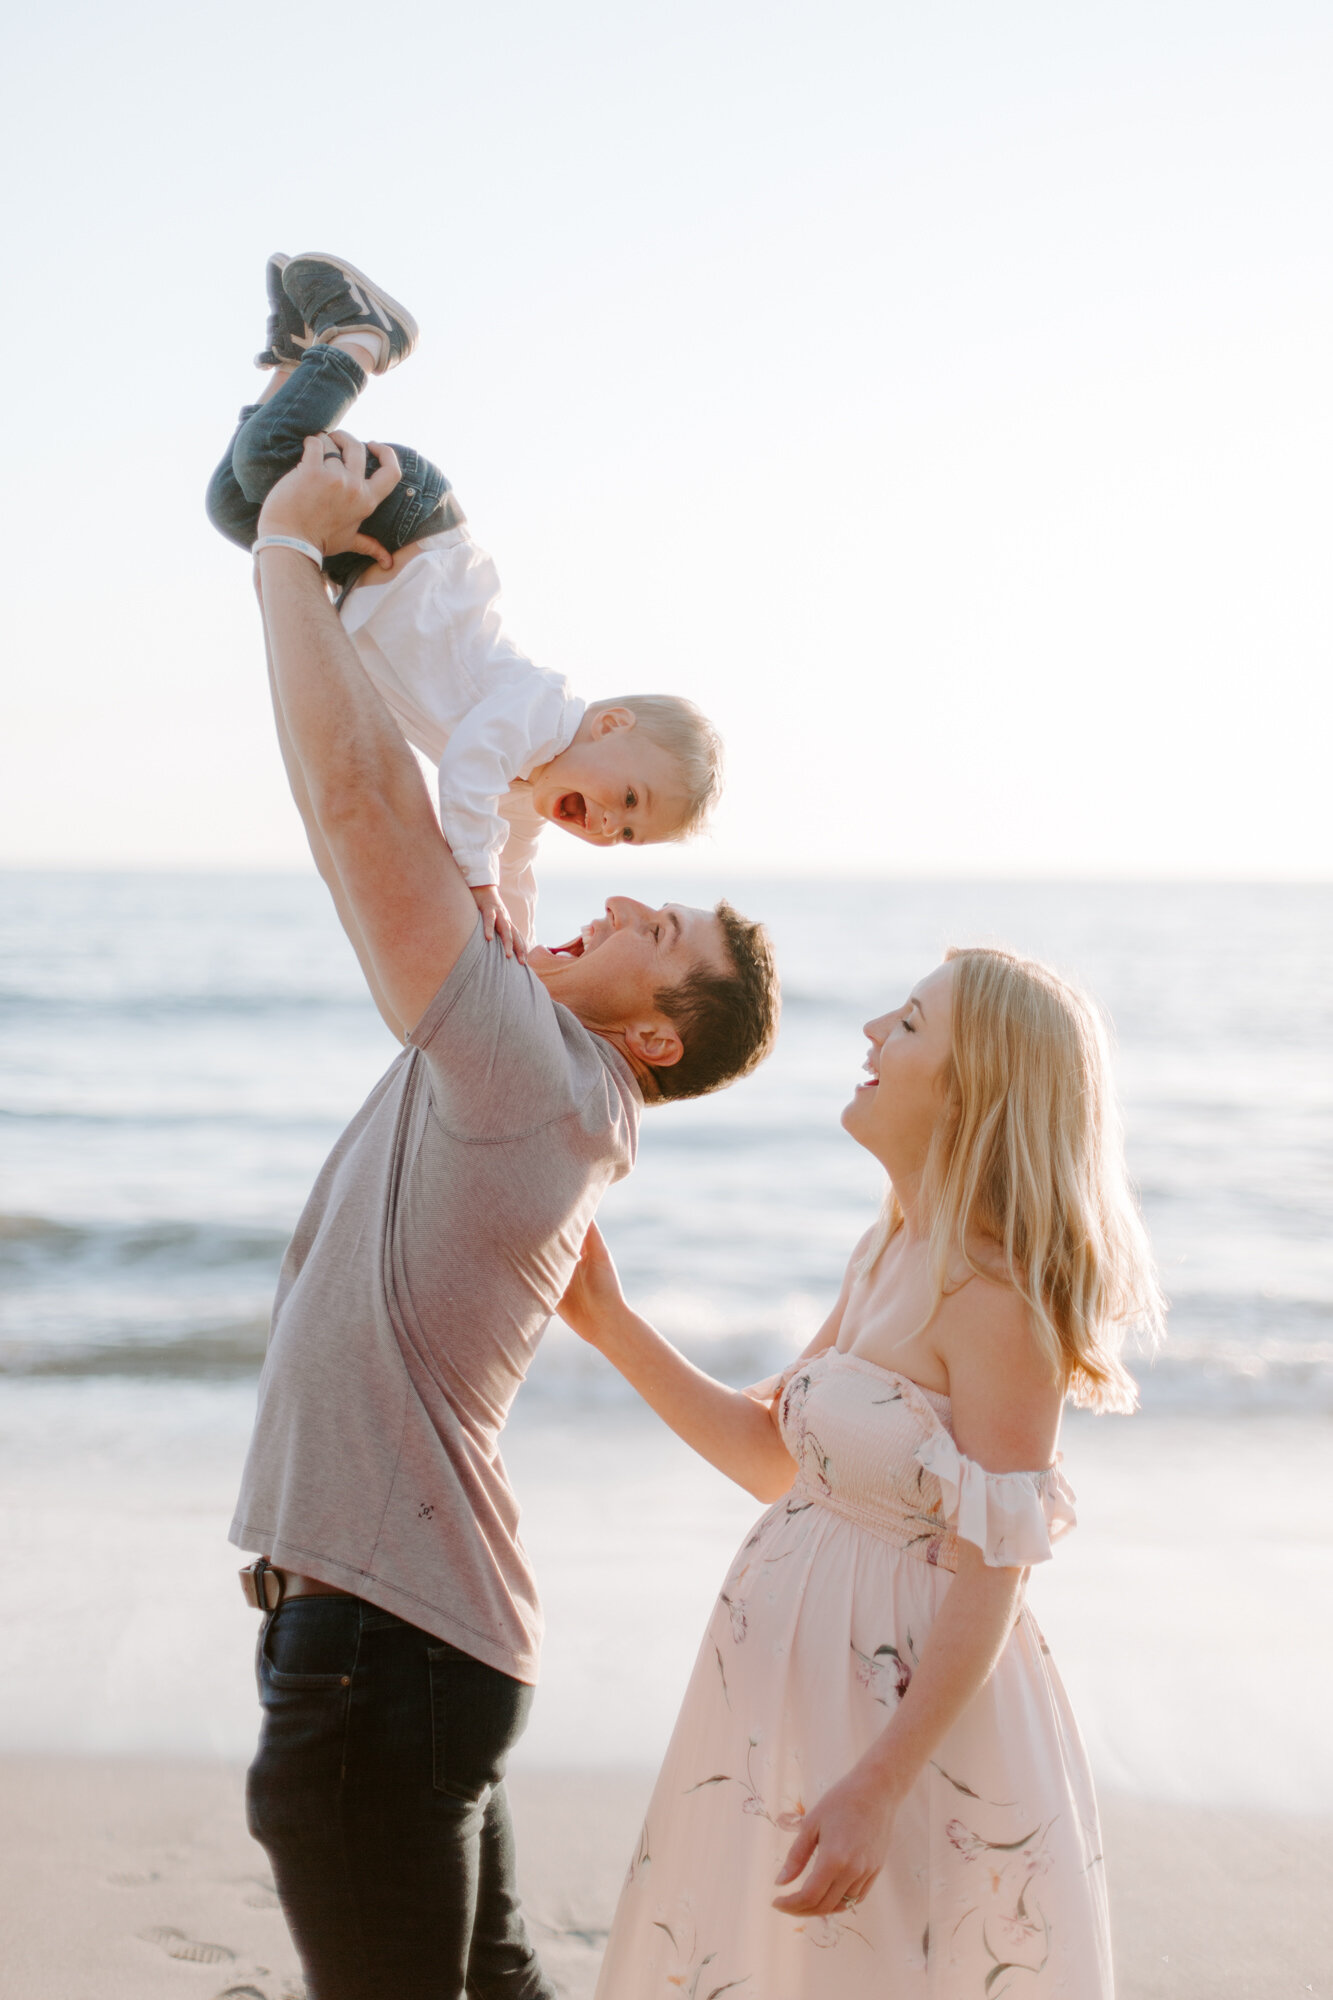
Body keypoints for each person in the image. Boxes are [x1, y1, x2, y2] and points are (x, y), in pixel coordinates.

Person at [228, 432, 781, 2000]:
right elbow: (478, 839)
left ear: (655, 1032)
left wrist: (287, 553)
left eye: (647, 923)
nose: (605, 897)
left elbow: (358, 808)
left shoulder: (533, 1071)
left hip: (383, 1652)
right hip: (402, 1641)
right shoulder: (546, 1066)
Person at [557, 946, 1165, 1998]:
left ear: (974, 1087)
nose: (874, 1027)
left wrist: (879, 1785)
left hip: (907, 1729)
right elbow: (767, 1456)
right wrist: (609, 1322)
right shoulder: (886, 1249)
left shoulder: (994, 1299)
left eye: (914, 1022)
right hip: (798, 1700)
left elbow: (996, 1565)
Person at [206, 251, 724, 953]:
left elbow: (514, 867)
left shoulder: (526, 789)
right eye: (628, 799)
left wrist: (516, 942)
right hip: (411, 519)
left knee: (239, 505)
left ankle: (299, 352)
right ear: (611, 725)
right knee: (267, 463)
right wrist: (475, 882)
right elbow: (468, 765)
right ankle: (365, 334)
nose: (607, 826)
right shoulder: (543, 714)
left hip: (365, 564)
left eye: (628, 833)